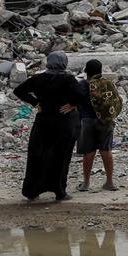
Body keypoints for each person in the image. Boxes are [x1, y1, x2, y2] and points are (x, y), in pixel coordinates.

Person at [14, 51, 86, 202]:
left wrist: (36, 103)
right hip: (63, 123)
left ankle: (32, 191)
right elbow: (81, 95)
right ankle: (60, 192)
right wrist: (71, 105)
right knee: (61, 157)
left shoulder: (38, 78)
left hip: (43, 122)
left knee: (37, 155)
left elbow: (19, 90)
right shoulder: (68, 79)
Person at [76, 59, 123, 192]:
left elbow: (75, 102)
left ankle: (85, 183)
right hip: (106, 122)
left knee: (89, 152)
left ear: (86, 72)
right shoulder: (108, 84)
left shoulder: (82, 85)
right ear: (100, 70)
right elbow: (117, 101)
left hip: (87, 122)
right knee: (106, 151)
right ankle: (109, 182)